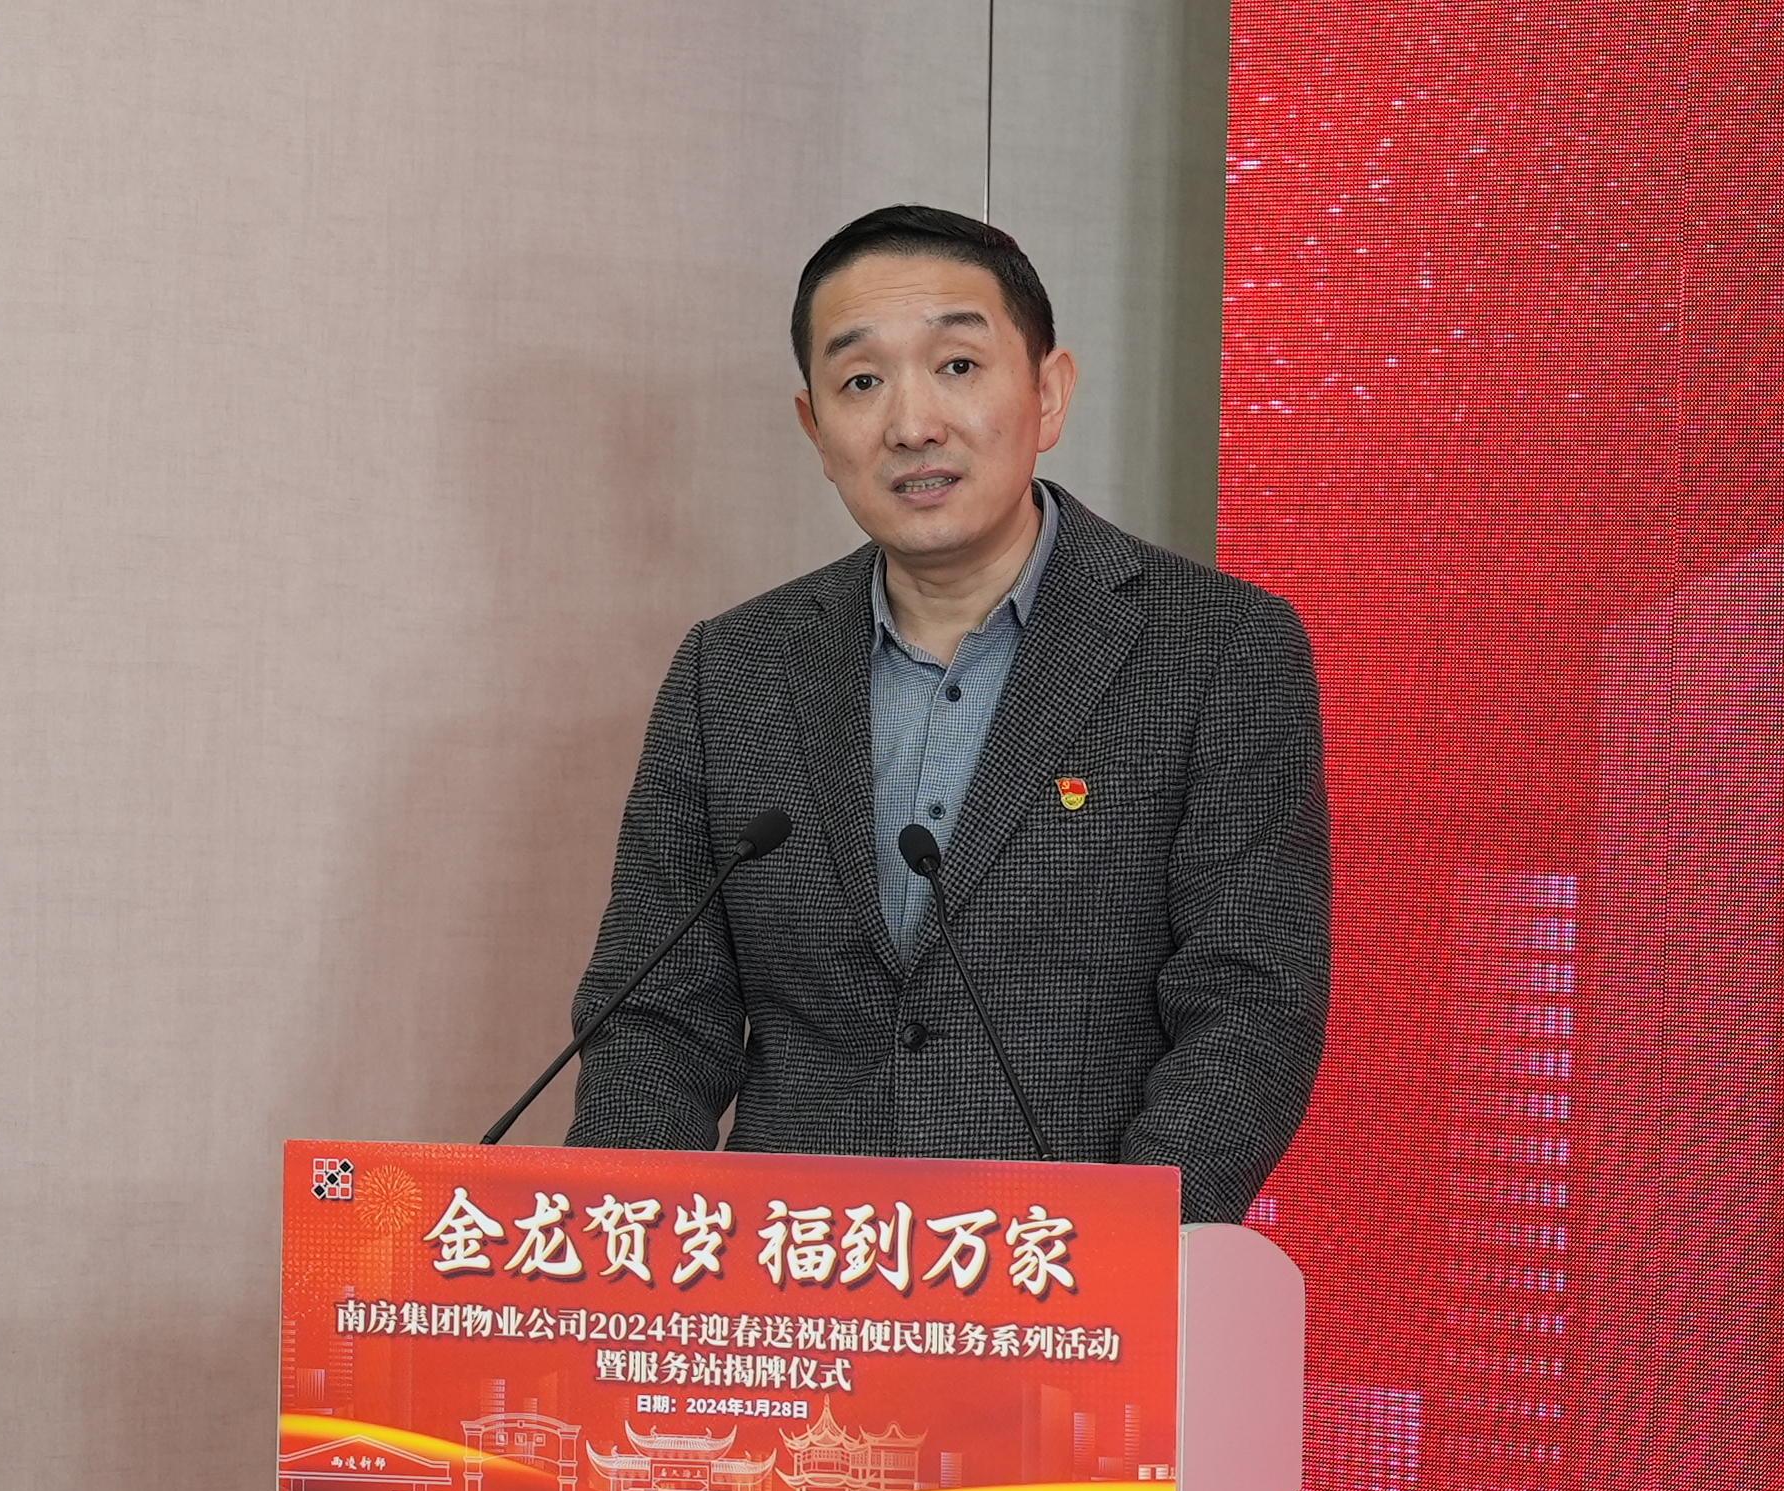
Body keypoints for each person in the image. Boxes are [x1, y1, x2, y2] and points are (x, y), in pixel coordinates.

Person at [563, 205, 1327, 1224]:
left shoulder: (1217, 649)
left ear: (1047, 393)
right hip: (795, 1272)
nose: (912, 423)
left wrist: (1129, 1253)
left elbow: (1250, 1006)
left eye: (957, 366)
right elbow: (655, 1019)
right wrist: (613, 1253)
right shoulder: (732, 670)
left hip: (1066, 1274)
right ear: (815, 429)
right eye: (861, 382)